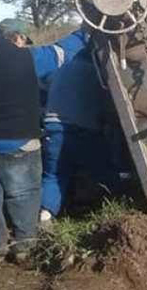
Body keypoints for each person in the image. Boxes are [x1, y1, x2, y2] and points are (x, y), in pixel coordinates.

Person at [0, 19, 86, 264]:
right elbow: (63, 51)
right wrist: (88, 31)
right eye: (24, 41)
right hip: (19, 143)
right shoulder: (29, 58)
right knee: (24, 194)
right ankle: (24, 248)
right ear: (18, 37)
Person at [39, 48, 129, 222]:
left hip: (52, 128)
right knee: (103, 169)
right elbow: (108, 110)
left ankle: (45, 215)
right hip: (82, 130)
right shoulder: (94, 74)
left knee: (54, 175)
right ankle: (120, 205)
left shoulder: (62, 69)